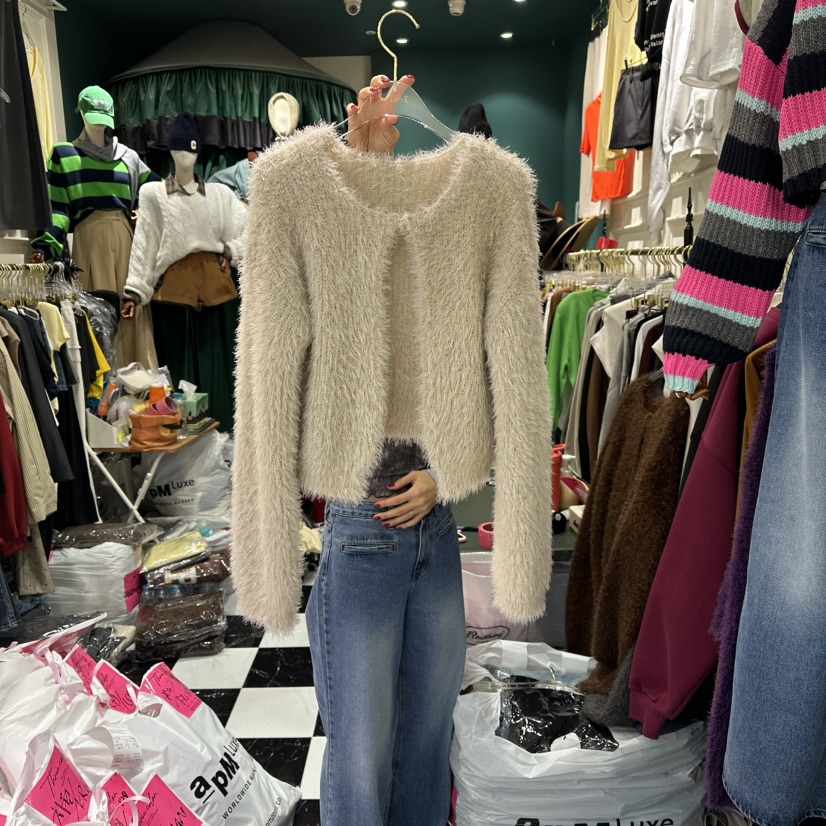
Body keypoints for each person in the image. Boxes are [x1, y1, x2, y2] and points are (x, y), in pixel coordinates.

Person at [458, 102, 569, 257]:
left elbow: (547, 221)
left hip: (549, 247)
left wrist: (519, 255)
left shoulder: (503, 172)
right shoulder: (476, 177)